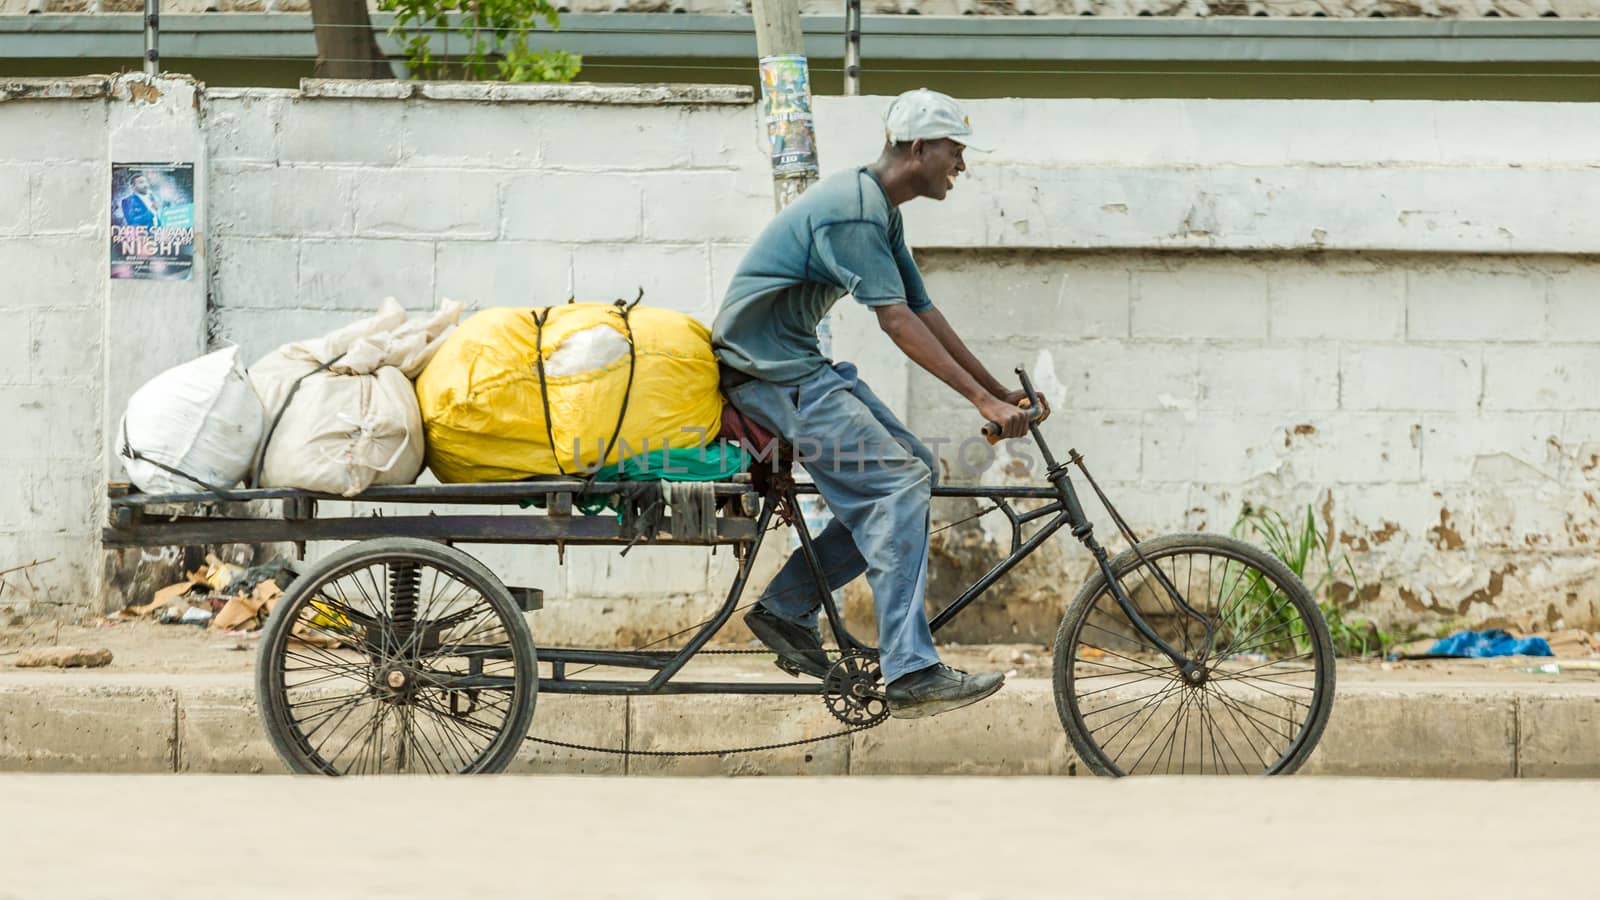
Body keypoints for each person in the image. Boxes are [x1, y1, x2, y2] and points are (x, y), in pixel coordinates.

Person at [713, 88, 1043, 719]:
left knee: (918, 466)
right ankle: (911, 670)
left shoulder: (878, 209)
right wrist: (981, 399)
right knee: (896, 485)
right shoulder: (854, 212)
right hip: (769, 376)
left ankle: (787, 607)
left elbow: (923, 310)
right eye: (955, 151)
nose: (961, 166)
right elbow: (895, 322)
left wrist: (996, 392)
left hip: (793, 367)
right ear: (918, 148)